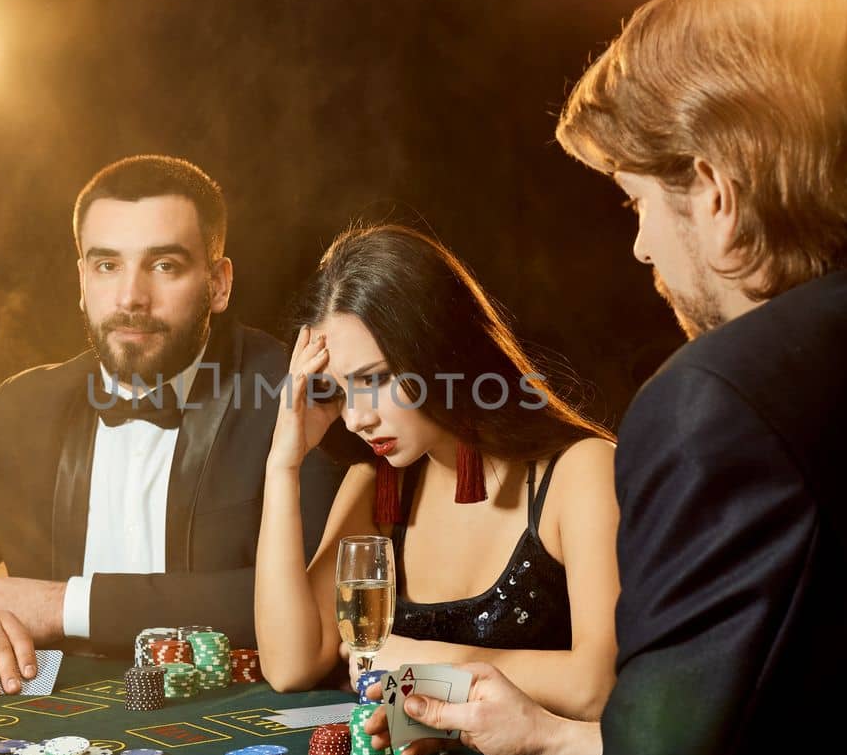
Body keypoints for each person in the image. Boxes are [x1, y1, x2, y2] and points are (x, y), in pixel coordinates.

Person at [363, 0, 847, 755]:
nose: (636, 251)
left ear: (718, 189)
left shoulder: (720, 401)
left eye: (638, 203)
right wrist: (561, 742)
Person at [0, 155, 342, 697]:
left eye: (164, 265)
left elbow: (317, 600)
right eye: (107, 265)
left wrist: (65, 606)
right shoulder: (26, 406)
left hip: (232, 729)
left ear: (220, 283)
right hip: (49, 728)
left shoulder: (293, 391)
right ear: (83, 282)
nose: (131, 297)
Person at [255, 223, 619, 718]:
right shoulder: (379, 485)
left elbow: (599, 687)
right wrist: (283, 465)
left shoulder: (581, 474)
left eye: (377, 378)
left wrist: (421, 662)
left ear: (440, 349)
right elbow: (290, 666)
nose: (357, 417)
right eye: (341, 390)